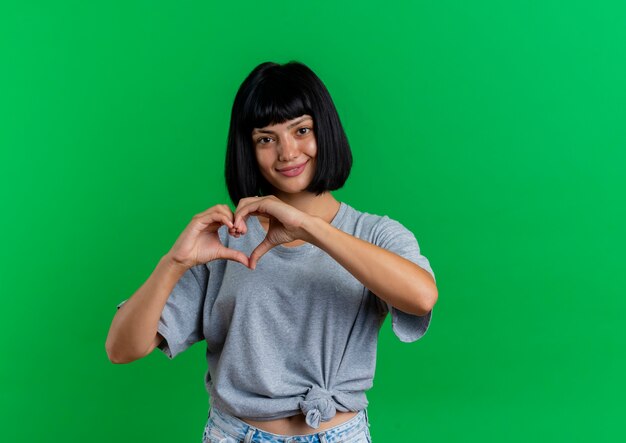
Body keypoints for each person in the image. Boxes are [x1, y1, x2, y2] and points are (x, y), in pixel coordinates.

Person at [105, 60, 438, 443]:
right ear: (248, 148)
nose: (287, 152)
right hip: (235, 434)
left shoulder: (374, 233)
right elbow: (121, 348)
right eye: (266, 138)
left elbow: (422, 296)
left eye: (302, 130)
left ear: (324, 132)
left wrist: (310, 229)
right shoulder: (225, 240)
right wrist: (174, 262)